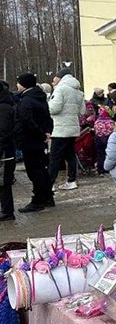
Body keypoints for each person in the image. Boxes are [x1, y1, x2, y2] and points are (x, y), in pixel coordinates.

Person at [14, 73, 53, 212]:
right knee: (41, 169)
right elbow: (48, 118)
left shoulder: (26, 101)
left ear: (24, 84)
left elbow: (27, 121)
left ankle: (38, 200)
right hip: (38, 139)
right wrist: (47, 132)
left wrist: (41, 134)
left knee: (34, 171)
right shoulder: (39, 97)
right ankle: (48, 196)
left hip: (30, 140)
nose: (16, 85)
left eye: (18, 83)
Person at [0, 81, 15, 221]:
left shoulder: (4, 108)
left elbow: (3, 132)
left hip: (4, 152)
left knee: (3, 182)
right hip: (4, 149)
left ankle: (7, 211)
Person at [93, 106, 116, 175]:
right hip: (108, 139)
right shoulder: (111, 122)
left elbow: (95, 131)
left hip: (99, 140)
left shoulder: (97, 122)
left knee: (100, 155)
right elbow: (113, 130)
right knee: (108, 154)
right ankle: (108, 169)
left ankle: (100, 169)